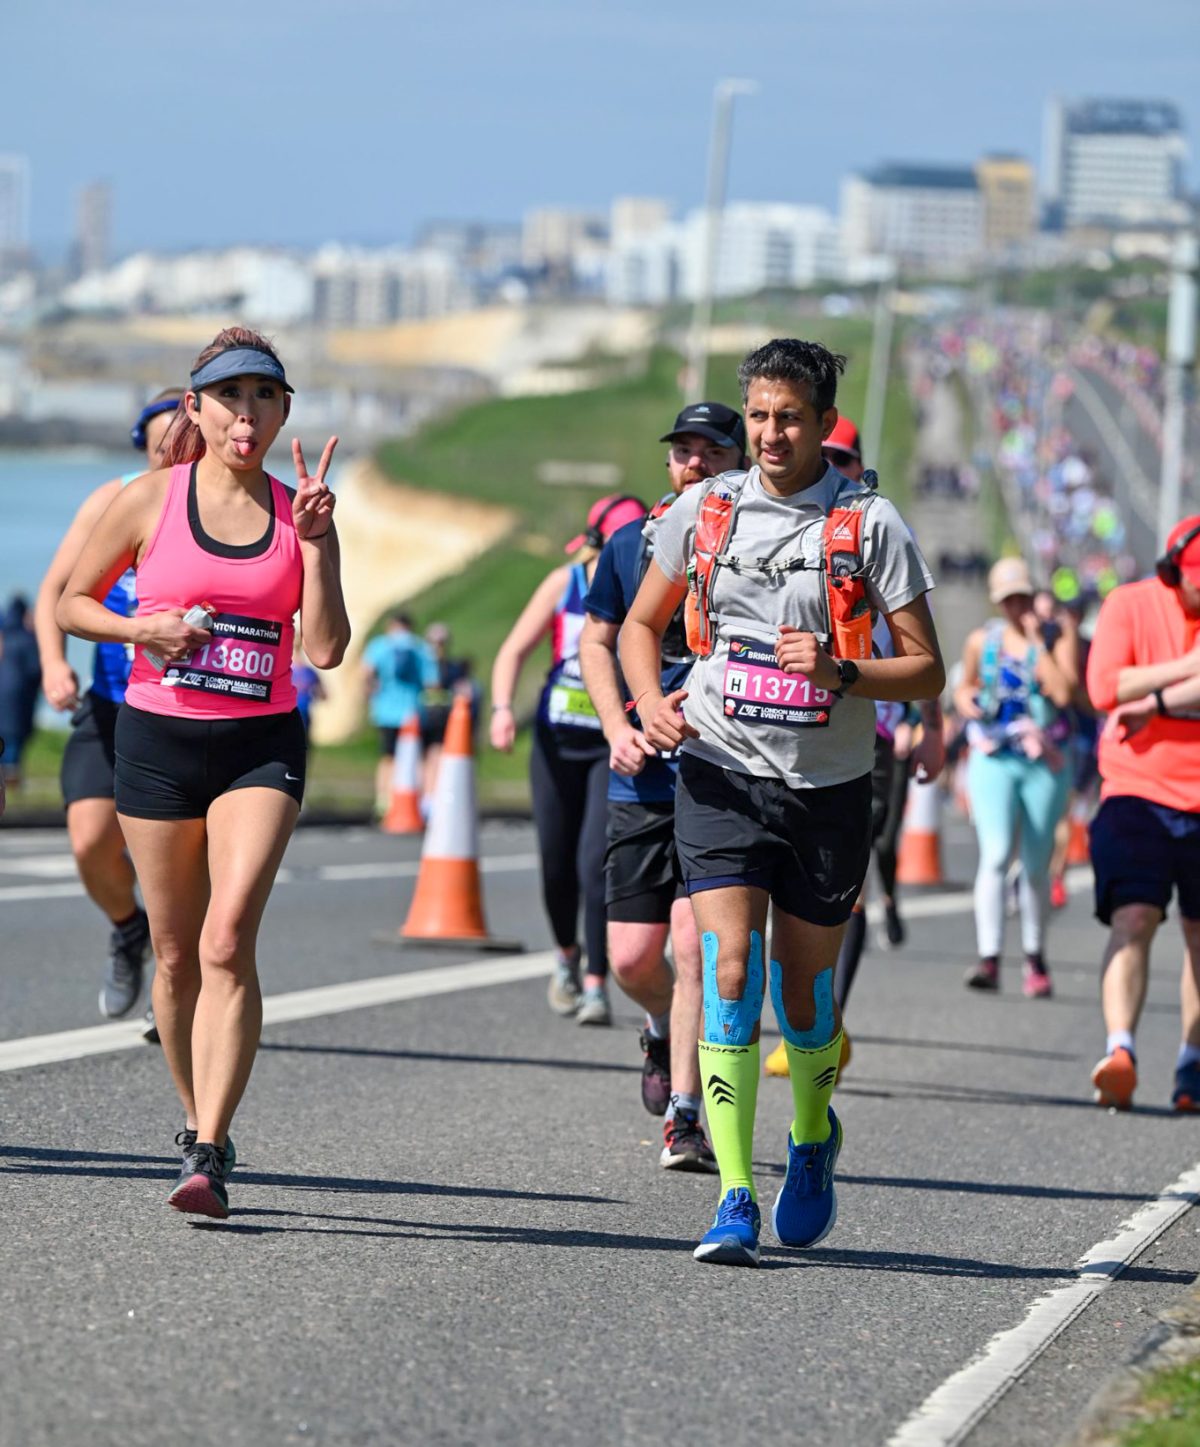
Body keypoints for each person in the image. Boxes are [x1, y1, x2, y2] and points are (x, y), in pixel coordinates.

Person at [621, 339, 943, 1266]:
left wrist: (844, 670)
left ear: (824, 422)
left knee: (804, 998)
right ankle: (732, 1194)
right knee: (727, 974)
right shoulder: (704, 510)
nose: (770, 433)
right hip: (719, 769)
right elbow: (643, 625)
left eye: (789, 417)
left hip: (826, 789)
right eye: (758, 415)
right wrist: (650, 704)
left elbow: (926, 669)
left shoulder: (868, 523)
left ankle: (810, 1138)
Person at [58, 326, 350, 1218]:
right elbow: (72, 598)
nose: (247, 415)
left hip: (258, 745)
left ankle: (213, 1147)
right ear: (198, 407)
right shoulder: (151, 500)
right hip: (156, 742)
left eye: (265, 397)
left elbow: (328, 648)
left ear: (283, 411)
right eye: (230, 397)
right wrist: (143, 629)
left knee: (227, 940)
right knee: (178, 952)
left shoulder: (297, 511)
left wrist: (320, 544)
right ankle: (193, 1121)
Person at [580, 403, 746, 1171]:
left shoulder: (754, 549)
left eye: (711, 453)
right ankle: (655, 1025)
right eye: (683, 452)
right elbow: (597, 637)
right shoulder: (630, 545)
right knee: (631, 958)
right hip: (644, 774)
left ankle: (686, 1115)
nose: (693, 465)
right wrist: (618, 726)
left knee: (692, 941)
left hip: (721, 774)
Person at [762, 415, 945, 1080]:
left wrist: (933, 726)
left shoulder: (877, 526)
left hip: (871, 733)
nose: (828, 461)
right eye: (825, 451)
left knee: (849, 885)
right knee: (785, 893)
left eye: (842, 455)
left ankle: (829, 1022)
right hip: (775, 729)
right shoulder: (767, 516)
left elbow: (918, 643)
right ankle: (816, 1020)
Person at [35, 390, 183, 1025]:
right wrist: (52, 662)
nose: (170, 448)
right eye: (157, 440)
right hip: (110, 705)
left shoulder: (216, 505)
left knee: (178, 865)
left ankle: (176, 989)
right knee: (91, 839)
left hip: (186, 713)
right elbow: (55, 592)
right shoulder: (113, 499)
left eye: (181, 437)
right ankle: (129, 930)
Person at [491, 494, 649, 1025]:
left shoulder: (648, 589)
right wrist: (500, 710)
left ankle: (597, 984)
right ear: (595, 544)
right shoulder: (566, 584)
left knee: (594, 866)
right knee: (556, 865)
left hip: (613, 744)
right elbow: (513, 649)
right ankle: (565, 956)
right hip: (556, 745)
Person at [1085, 516, 1200, 1111]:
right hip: (1136, 787)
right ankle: (1121, 1048)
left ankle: (1192, 1063)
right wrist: (1186, 669)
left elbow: (1131, 691)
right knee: (1135, 916)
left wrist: (1152, 699)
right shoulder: (1130, 605)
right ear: (1173, 569)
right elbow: (1104, 688)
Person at [955, 558, 1077, 998]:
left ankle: (1035, 955)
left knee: (1036, 861)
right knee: (996, 852)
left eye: (1023, 597)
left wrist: (1035, 642)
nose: (1016, 606)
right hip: (993, 755)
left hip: (1043, 760)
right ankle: (989, 957)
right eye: (1008, 600)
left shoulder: (1055, 640)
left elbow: (1064, 692)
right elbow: (964, 686)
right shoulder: (980, 641)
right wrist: (966, 697)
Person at [362, 613, 438, 816]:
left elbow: (367, 674)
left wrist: (370, 694)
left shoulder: (379, 645)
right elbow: (432, 683)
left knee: (388, 757)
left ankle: (383, 800)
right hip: (413, 712)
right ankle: (419, 802)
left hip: (385, 711)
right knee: (417, 758)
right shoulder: (421, 648)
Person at [419, 622, 477, 813]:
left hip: (442, 717)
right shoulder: (421, 663)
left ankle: (431, 797)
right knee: (423, 757)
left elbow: (462, 689)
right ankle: (423, 795)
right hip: (422, 716)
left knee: (437, 755)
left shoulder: (452, 667)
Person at [0, 595, 42, 785]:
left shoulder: (4, 638)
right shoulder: (27, 639)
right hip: (19, 697)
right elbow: (35, 669)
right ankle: (10, 776)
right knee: (14, 737)